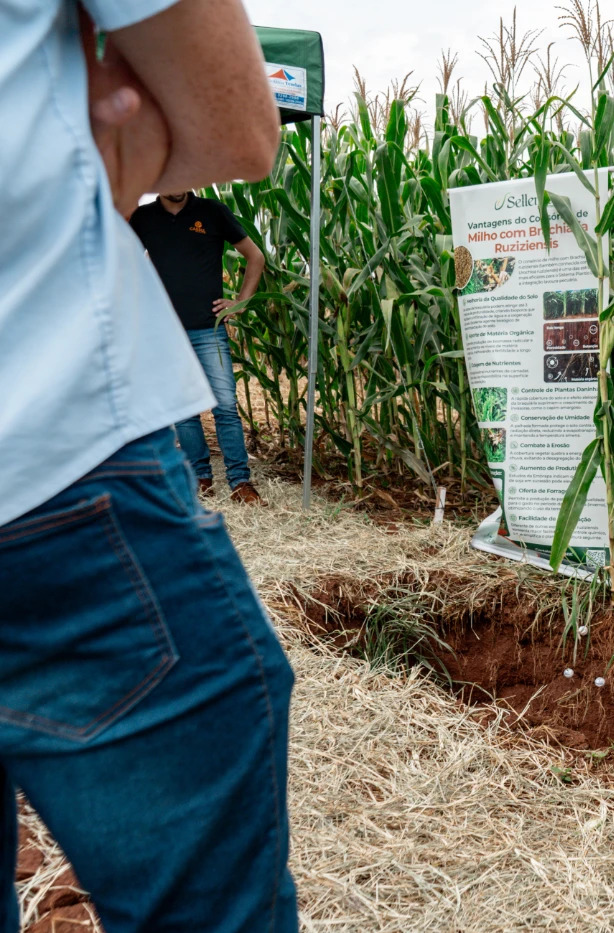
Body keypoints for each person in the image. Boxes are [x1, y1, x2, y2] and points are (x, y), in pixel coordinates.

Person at [0, 1, 297, 930]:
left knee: (223, 410)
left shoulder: (209, 215)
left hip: (183, 344)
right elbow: (238, 126)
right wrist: (83, 159)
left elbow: (251, 239)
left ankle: (237, 474)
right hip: (53, 460)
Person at [131, 189, 267, 503]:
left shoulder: (213, 212)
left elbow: (256, 257)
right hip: (167, 333)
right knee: (184, 412)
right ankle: (199, 479)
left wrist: (241, 302)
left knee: (225, 407)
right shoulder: (143, 218)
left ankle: (240, 482)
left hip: (210, 330)